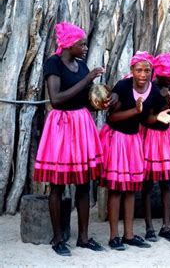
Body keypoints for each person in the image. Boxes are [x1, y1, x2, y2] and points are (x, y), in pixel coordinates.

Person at [34, 22, 109, 256]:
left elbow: (85, 100)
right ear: (68, 44)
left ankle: (84, 238)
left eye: (85, 44)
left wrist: (101, 103)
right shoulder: (53, 63)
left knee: (84, 184)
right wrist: (87, 81)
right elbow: (56, 99)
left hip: (82, 124)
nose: (85, 48)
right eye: (81, 44)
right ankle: (58, 238)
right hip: (62, 126)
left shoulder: (82, 66)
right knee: (57, 185)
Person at [100, 51, 170, 251]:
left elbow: (147, 119)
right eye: (139, 70)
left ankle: (129, 235)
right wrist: (135, 110)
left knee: (132, 188)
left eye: (147, 70)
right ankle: (114, 236)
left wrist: (158, 118)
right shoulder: (123, 87)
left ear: (152, 72)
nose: (143, 74)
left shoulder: (153, 91)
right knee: (116, 188)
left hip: (134, 141)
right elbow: (112, 118)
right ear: (132, 70)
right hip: (117, 139)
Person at [141, 53, 170, 243]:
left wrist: (168, 100)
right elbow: (146, 115)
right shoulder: (149, 89)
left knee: (167, 182)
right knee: (148, 183)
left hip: (165, 137)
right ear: (160, 75)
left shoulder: (168, 90)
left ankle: (167, 226)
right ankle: (149, 227)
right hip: (149, 136)